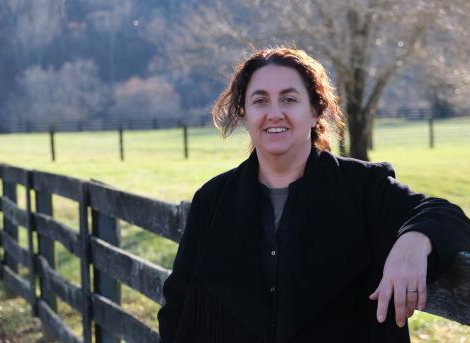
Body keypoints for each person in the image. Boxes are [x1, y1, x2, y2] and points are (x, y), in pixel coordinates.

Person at [157, 47, 470, 343]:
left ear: (316, 109)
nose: (274, 113)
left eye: (289, 99)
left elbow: (445, 214)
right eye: (260, 100)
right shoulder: (212, 199)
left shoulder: (362, 187)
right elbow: (177, 306)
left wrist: (413, 241)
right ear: (243, 112)